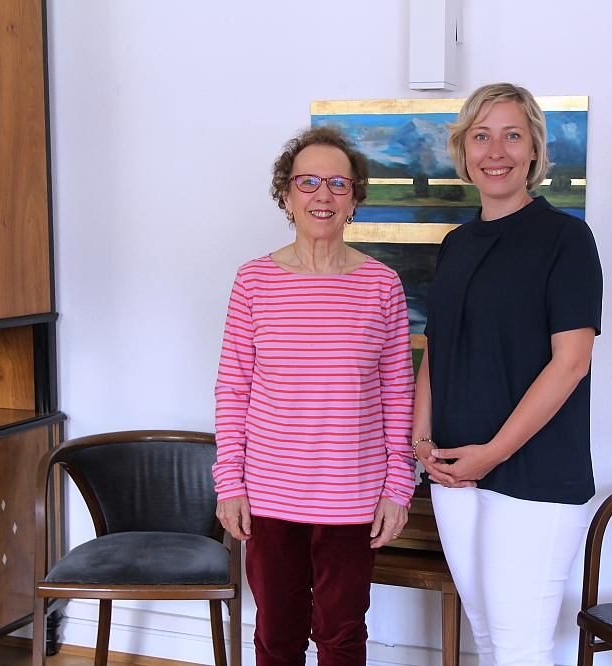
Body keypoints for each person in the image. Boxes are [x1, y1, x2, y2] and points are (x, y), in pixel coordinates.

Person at [412, 83, 603, 666]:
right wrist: (421, 440)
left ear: (535, 152)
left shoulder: (566, 239)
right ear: (464, 151)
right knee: (490, 638)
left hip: (535, 474)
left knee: (521, 647)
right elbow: (436, 348)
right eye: (481, 135)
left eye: (512, 135)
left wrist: (491, 453)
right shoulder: (456, 243)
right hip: (454, 470)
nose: (496, 150)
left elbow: (571, 361)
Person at [212, 125, 416, 666]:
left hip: (353, 495)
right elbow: (233, 388)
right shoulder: (253, 282)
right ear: (286, 196)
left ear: (354, 200)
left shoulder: (382, 285)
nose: (322, 195)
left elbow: (399, 393)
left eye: (338, 184)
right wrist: (228, 481)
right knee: (277, 637)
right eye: (307, 182)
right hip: (269, 495)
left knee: (342, 637)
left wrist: (399, 485)